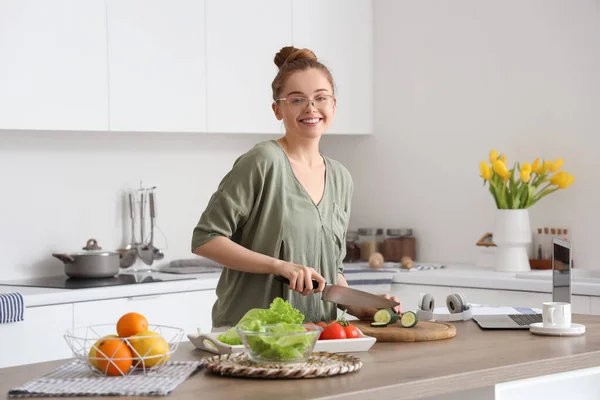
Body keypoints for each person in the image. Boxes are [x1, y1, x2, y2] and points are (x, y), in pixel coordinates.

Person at [191, 46, 401, 330]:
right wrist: (279, 266)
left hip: (319, 335)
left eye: (320, 98)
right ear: (278, 109)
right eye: (297, 99)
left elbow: (330, 271)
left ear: (334, 105)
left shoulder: (341, 178)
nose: (311, 108)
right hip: (253, 336)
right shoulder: (263, 162)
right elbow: (206, 239)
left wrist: (360, 304)